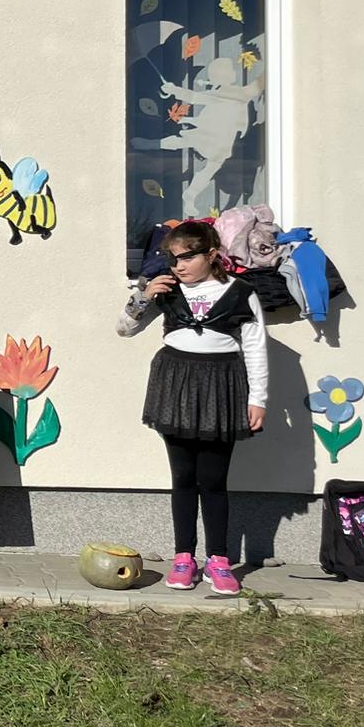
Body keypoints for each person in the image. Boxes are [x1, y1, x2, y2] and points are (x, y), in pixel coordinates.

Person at [119, 219, 266, 595]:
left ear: (212, 254)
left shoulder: (241, 292)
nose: (178, 266)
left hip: (221, 386)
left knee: (214, 480)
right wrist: (143, 295)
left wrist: (258, 399)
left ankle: (219, 560)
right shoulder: (165, 289)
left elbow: (255, 348)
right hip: (176, 384)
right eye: (173, 259)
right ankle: (184, 557)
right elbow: (124, 328)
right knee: (183, 477)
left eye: (187, 257)